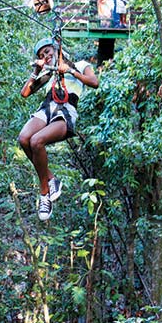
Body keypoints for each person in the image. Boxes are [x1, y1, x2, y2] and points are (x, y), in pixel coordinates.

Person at [18, 37, 99, 221]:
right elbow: (25, 93)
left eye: (48, 52)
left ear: (57, 50)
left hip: (66, 109)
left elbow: (94, 82)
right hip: (47, 108)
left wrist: (69, 70)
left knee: (37, 141)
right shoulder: (49, 73)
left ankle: (44, 192)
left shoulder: (80, 65)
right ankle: (51, 180)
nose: (45, 56)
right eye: (42, 55)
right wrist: (37, 70)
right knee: (24, 138)